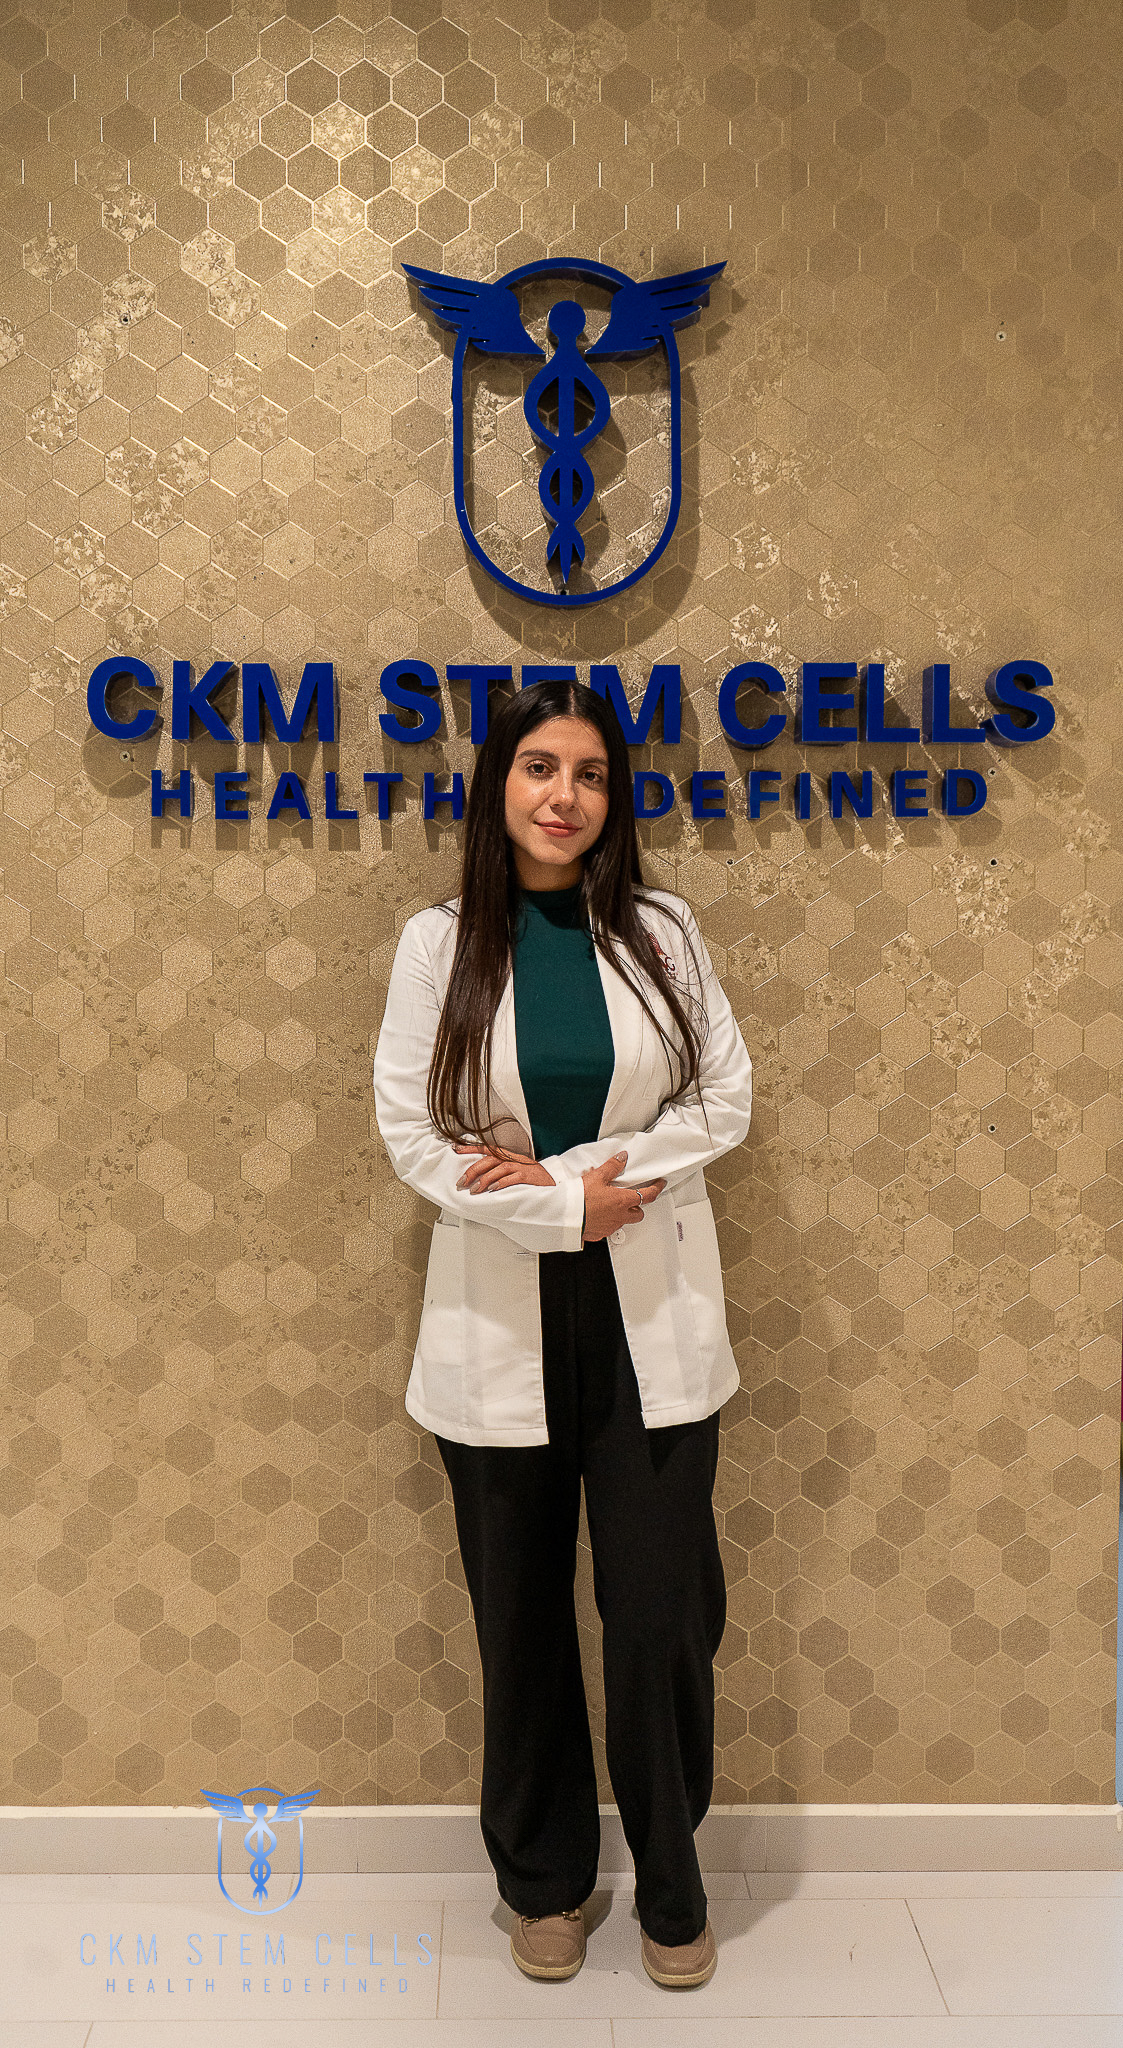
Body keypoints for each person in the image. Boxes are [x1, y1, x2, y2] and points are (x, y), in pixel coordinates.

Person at [373, 678, 752, 1989]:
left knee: (659, 1616)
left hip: (652, 1315)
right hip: (499, 1320)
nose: (563, 795)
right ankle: (541, 1879)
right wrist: (560, 1207)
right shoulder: (440, 943)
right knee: (521, 1617)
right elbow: (414, 1135)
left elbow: (725, 1098)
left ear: (614, 798)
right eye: (539, 767)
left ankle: (671, 1875)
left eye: (589, 773)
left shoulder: (663, 930)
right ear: (499, 785)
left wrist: (574, 1182)